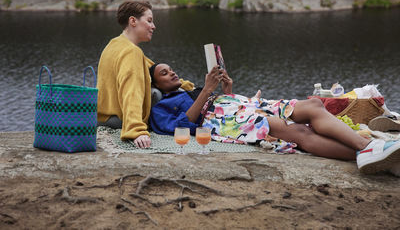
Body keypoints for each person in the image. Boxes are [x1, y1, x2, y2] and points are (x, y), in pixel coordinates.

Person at [149, 63, 400, 174]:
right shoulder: (161, 107)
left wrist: (227, 90)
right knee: (298, 133)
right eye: (164, 72)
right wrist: (206, 91)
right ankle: (369, 150)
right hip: (218, 120)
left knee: (312, 105)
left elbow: (217, 101)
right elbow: (182, 127)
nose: (171, 72)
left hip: (236, 105)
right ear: (154, 82)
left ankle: (372, 152)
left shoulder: (186, 90)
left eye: (171, 69)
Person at [97, 1, 193, 148]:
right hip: (118, 119)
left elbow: (149, 66)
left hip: (102, 116)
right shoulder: (131, 51)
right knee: (157, 94)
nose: (153, 26)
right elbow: (131, 91)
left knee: (160, 87)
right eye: (149, 21)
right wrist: (136, 130)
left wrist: (185, 85)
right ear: (133, 21)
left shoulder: (115, 44)